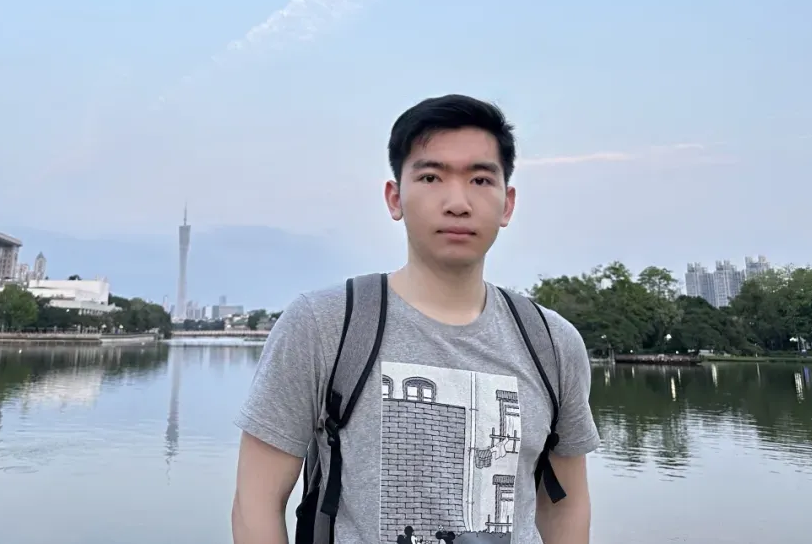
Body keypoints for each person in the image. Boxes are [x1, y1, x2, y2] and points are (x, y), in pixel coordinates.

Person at [231, 94, 600, 544]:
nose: (457, 202)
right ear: (395, 198)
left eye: (481, 179)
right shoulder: (324, 324)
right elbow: (256, 502)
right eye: (430, 177)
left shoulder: (552, 343)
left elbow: (565, 506)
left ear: (507, 204)